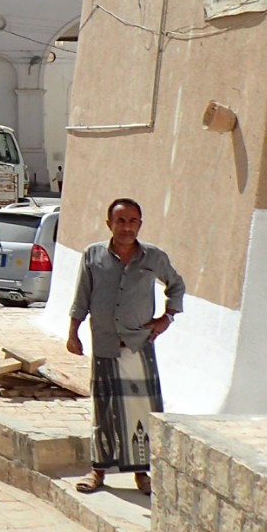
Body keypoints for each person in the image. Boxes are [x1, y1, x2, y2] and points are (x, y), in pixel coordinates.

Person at [67, 198, 184, 497]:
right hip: (105, 345)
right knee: (104, 410)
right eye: (120, 221)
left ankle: (142, 475)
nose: (127, 227)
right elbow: (82, 297)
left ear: (140, 225)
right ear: (110, 224)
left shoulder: (153, 257)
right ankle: (98, 471)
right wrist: (73, 333)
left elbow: (176, 286)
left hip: (138, 346)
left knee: (142, 411)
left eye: (133, 221)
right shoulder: (93, 255)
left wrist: (166, 318)